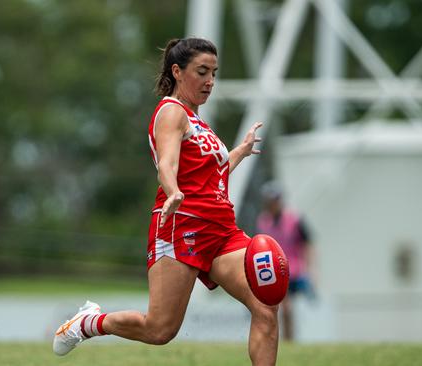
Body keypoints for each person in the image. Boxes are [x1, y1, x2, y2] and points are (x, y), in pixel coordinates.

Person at [52, 38, 279, 365]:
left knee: (265, 306)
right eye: (202, 72)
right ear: (177, 71)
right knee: (160, 330)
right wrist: (172, 190)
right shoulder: (171, 112)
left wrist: (238, 153)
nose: (210, 81)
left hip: (222, 231)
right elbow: (167, 164)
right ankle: (88, 323)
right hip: (181, 225)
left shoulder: (200, 122)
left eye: (214, 73)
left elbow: (209, 174)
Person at [256, 181, 315, 342]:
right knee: (283, 308)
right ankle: (285, 340)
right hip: (272, 270)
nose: (272, 204)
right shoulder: (263, 221)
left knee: (287, 308)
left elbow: (308, 243)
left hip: (294, 270)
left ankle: (288, 340)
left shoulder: (294, 219)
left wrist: (309, 270)